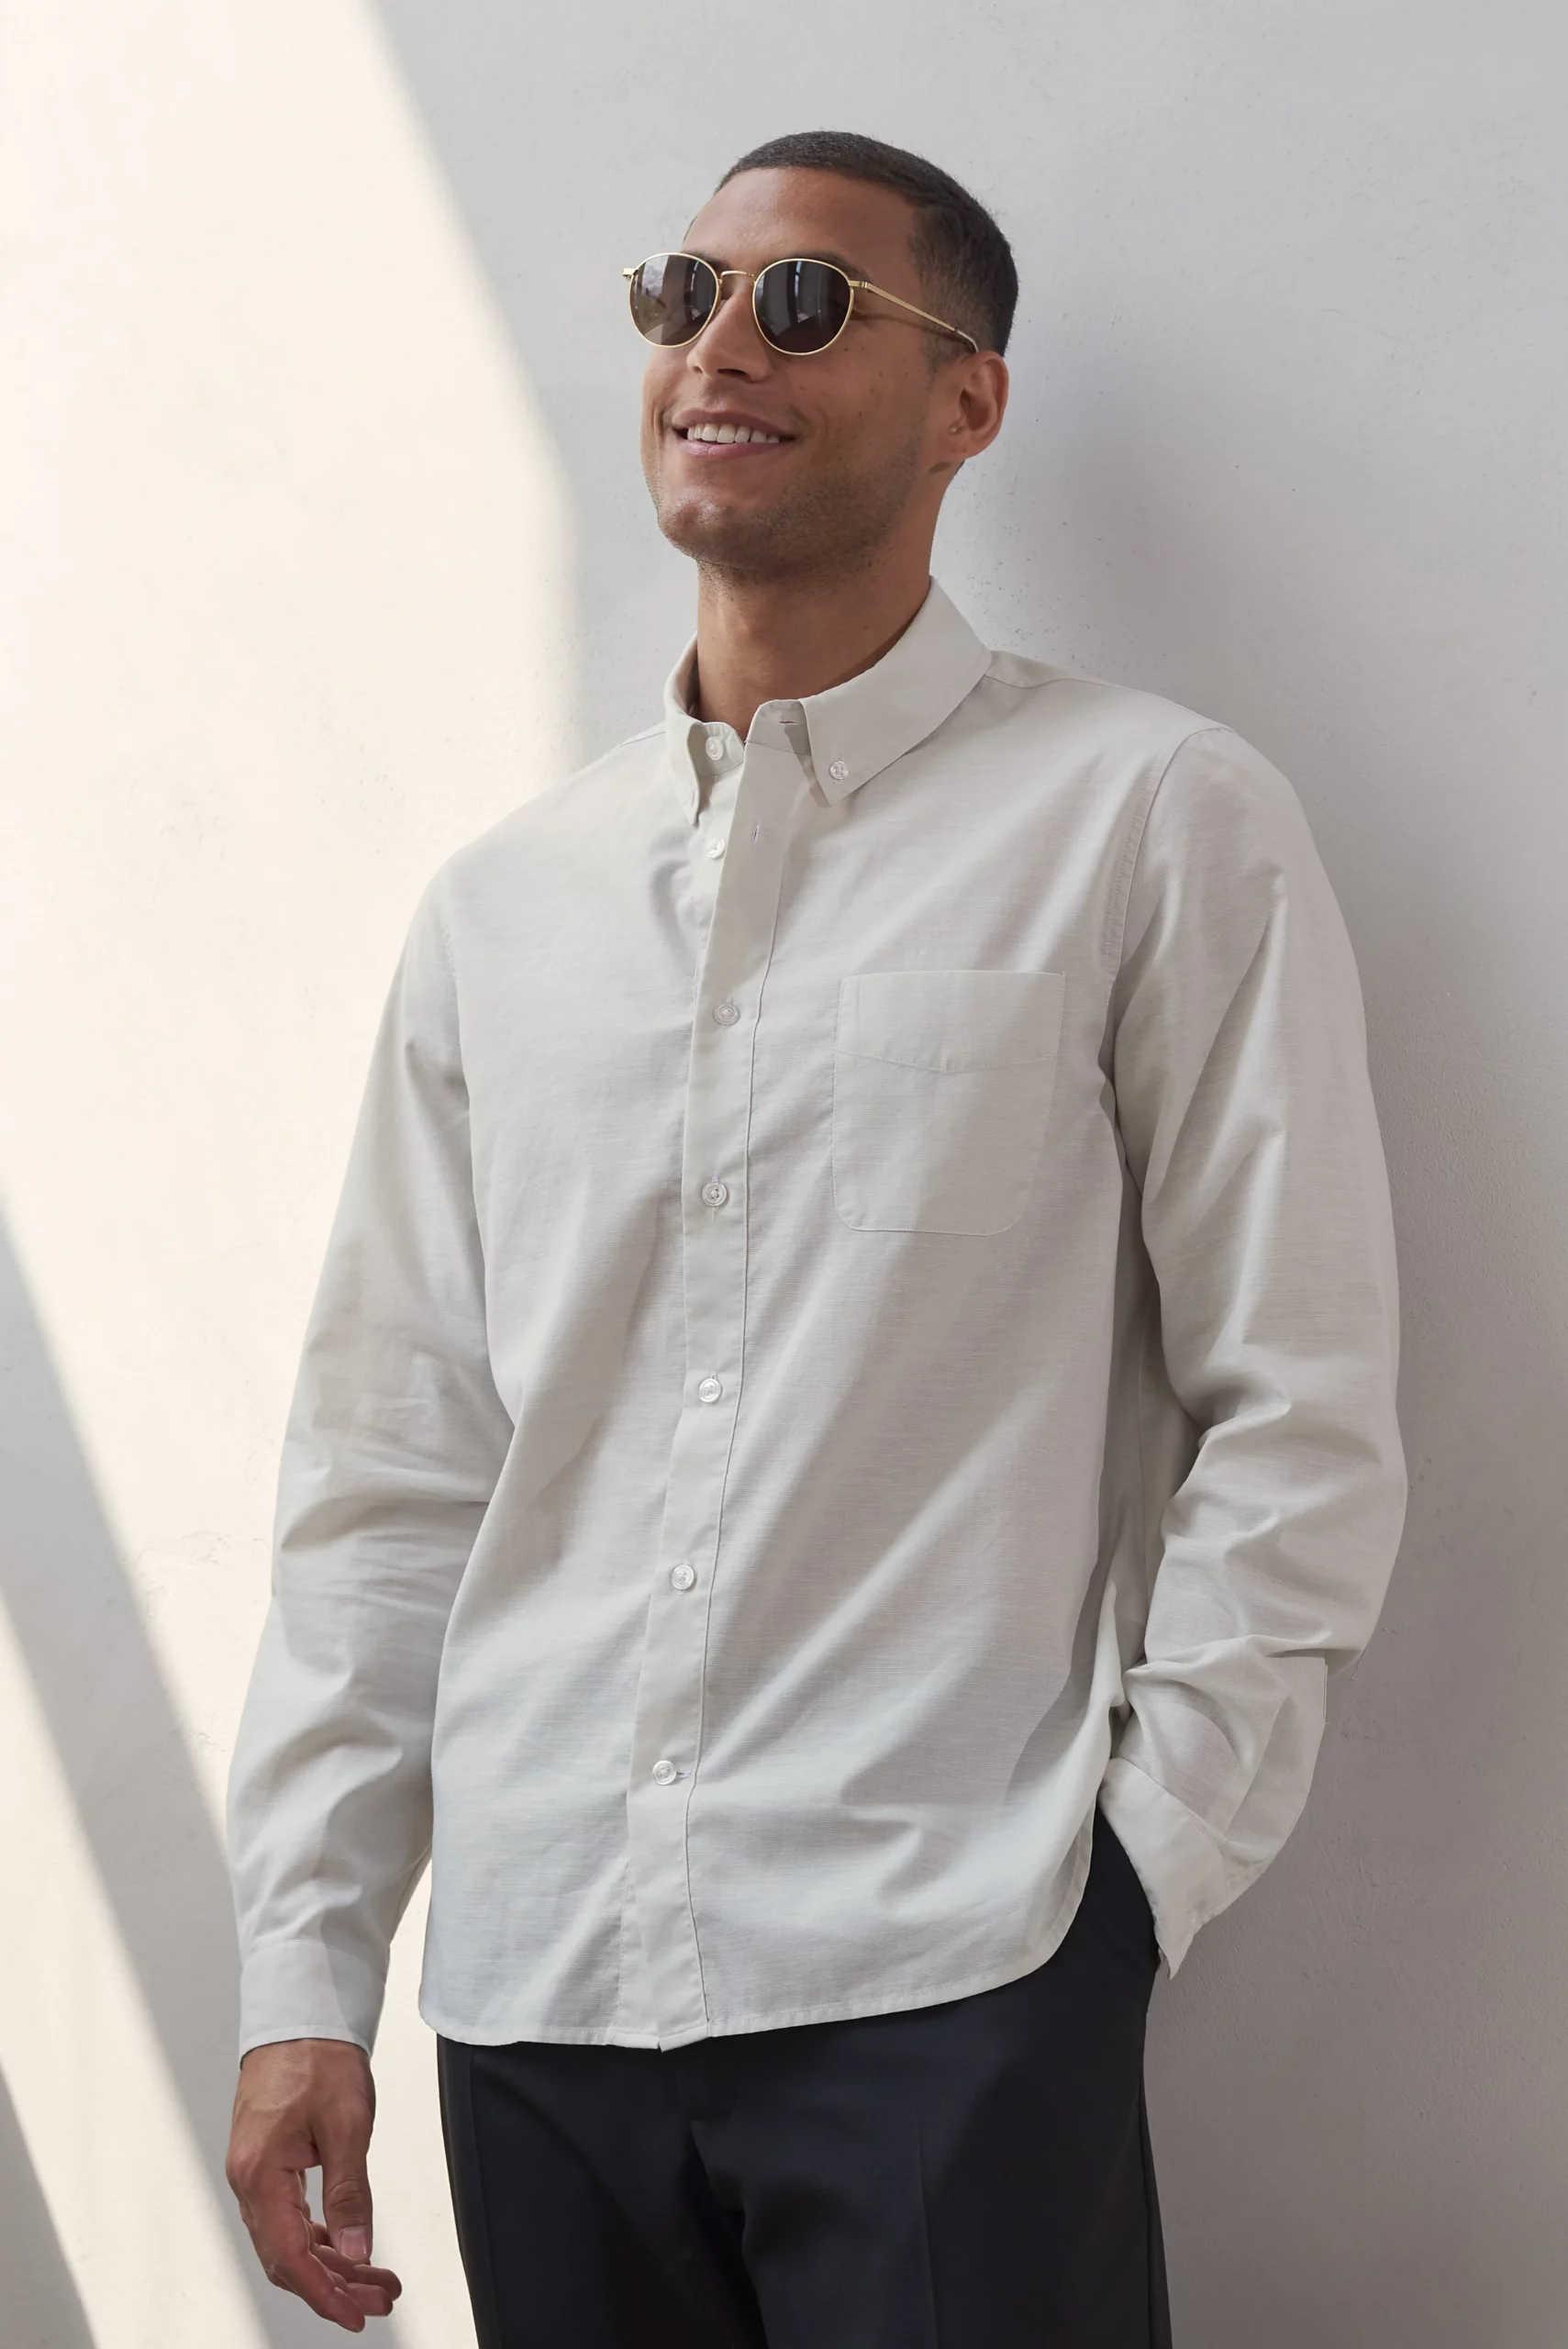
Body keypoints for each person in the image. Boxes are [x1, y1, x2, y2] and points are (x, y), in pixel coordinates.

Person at [223, 129, 1407, 2346]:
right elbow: (389, 1473)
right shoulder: (503, 910)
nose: (716, 349)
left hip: (948, 1974)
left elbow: (1296, 1398)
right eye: (681, 294)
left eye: (800, 303)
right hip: (541, 1995)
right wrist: (307, 1964)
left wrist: (1132, 1884)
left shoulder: (1144, 820)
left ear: (965, 400)